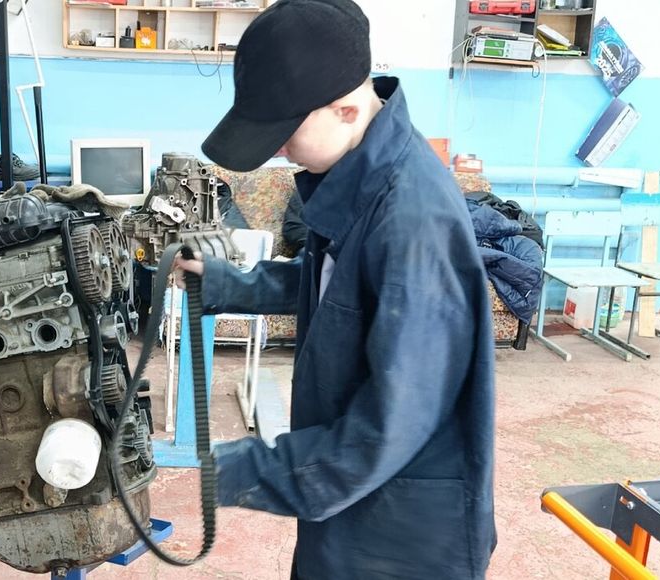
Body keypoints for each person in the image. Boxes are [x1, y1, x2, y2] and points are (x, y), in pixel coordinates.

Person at [174, 0, 497, 578]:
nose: (277, 150)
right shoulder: (357, 172)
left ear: (346, 109)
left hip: (401, 537)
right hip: (349, 499)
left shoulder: (413, 220)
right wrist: (226, 282)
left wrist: (240, 470)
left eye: (284, 133)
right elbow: (335, 291)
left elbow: (389, 426)